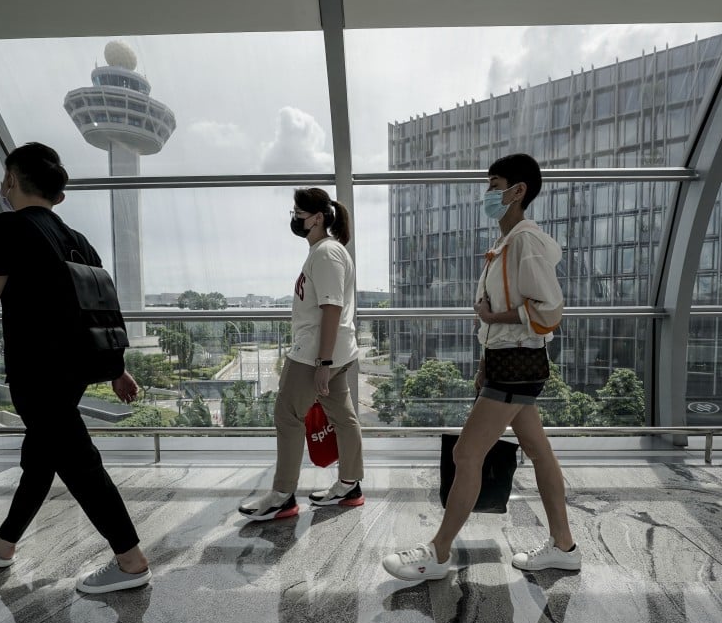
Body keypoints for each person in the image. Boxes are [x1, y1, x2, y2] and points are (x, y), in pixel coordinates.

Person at [0, 142, 150, 594]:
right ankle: (2, 544)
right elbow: (100, 309)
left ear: (12, 180)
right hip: (76, 369)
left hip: (38, 371)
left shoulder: (3, 229)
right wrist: (116, 368)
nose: (2, 185)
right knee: (41, 458)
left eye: (4, 177)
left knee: (77, 461)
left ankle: (130, 560)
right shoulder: (79, 240)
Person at [382, 153, 580, 580]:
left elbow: (549, 311)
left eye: (495, 185)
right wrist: (486, 360)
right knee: (539, 452)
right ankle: (564, 546)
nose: (488, 194)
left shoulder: (525, 242)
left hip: (518, 367)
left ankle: (436, 554)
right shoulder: (507, 244)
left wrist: (494, 320)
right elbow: (512, 311)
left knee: (467, 452)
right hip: (508, 365)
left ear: (518, 191)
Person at [238, 187, 364, 520]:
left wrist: (322, 363)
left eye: (298, 214)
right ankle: (350, 484)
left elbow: (332, 308)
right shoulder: (326, 251)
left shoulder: (326, 253)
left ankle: (282, 495)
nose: (294, 219)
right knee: (343, 417)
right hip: (334, 351)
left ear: (318, 218)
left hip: (315, 354)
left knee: (287, 416)